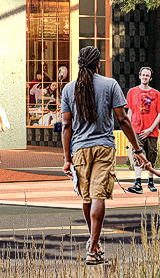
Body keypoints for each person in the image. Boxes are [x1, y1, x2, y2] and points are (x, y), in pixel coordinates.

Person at [61, 46, 148, 266]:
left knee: (87, 197)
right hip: (104, 147)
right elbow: (123, 120)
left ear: (79, 63)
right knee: (98, 196)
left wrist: (67, 159)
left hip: (79, 149)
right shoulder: (110, 85)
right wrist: (137, 150)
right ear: (98, 63)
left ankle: (95, 243)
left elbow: (66, 125)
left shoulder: (69, 89)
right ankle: (92, 248)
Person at [125, 67, 160, 194]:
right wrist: (129, 130)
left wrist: (150, 129)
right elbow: (129, 111)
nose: (145, 77)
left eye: (147, 75)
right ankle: (137, 183)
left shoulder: (156, 94)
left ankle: (150, 181)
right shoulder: (132, 92)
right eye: (143, 75)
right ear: (139, 76)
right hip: (137, 129)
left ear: (150, 78)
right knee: (137, 154)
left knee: (151, 155)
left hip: (151, 131)